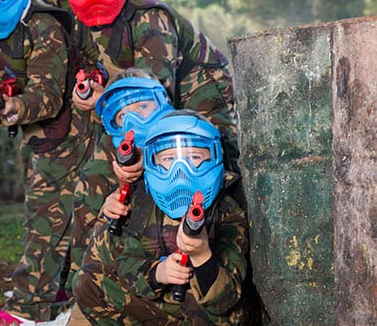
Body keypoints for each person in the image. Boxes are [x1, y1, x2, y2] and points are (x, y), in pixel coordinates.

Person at [59, 0, 240, 290]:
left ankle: (218, 282)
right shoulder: (83, 24)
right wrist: (96, 91)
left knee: (219, 185)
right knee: (94, 179)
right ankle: (92, 282)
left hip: (203, 108)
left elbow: (151, 104)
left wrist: (105, 103)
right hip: (149, 109)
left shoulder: (149, 19)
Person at [0, 0, 94, 326]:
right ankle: (58, 298)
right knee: (58, 216)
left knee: (52, 217)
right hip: (43, 135)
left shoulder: (44, 25)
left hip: (77, 132)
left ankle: (30, 310)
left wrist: (14, 107)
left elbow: (49, 98)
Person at [74, 110, 249, 324]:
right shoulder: (143, 202)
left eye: (194, 157)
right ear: (151, 162)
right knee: (88, 281)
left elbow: (224, 302)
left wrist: (202, 255)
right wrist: (158, 273)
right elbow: (127, 262)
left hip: (203, 314)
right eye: (168, 159)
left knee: (227, 317)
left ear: (215, 156)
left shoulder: (227, 211)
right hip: (162, 307)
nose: (180, 171)